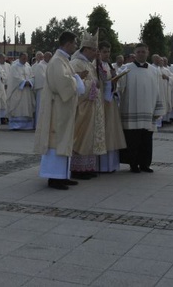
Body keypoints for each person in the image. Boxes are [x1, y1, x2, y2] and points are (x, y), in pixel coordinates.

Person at [34, 31, 86, 190]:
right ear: (68, 44)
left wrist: (74, 78)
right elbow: (61, 83)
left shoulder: (64, 60)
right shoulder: (57, 61)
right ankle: (54, 177)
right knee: (56, 141)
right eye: (74, 43)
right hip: (57, 110)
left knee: (64, 141)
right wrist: (76, 79)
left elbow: (66, 79)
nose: (75, 47)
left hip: (64, 109)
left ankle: (63, 175)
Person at [117, 43, 163, 173]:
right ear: (134, 53)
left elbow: (158, 90)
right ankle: (133, 164)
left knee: (146, 139)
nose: (141, 54)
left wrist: (158, 109)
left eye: (143, 51)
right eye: (138, 52)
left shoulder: (154, 70)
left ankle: (145, 164)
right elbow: (119, 87)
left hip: (149, 109)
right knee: (133, 139)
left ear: (148, 52)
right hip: (131, 110)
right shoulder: (126, 69)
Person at [70, 32, 106, 180]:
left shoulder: (89, 64)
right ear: (86, 49)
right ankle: (77, 169)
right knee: (81, 137)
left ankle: (87, 167)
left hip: (92, 106)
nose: (95, 53)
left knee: (89, 137)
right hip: (82, 107)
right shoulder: (75, 63)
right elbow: (74, 85)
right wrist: (93, 84)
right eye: (94, 50)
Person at [97, 41, 126, 172]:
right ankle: (102, 165)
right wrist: (108, 84)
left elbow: (113, 83)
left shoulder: (109, 66)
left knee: (111, 131)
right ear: (99, 52)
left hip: (111, 102)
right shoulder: (96, 66)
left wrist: (115, 83)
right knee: (103, 131)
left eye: (108, 52)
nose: (107, 54)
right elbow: (97, 84)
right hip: (101, 103)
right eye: (104, 52)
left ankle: (111, 164)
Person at [7, 52, 35, 130]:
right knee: (18, 107)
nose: (25, 60)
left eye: (26, 58)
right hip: (18, 90)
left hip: (27, 91)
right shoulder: (14, 67)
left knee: (27, 106)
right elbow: (14, 78)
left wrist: (30, 82)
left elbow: (33, 77)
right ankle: (16, 125)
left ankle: (27, 126)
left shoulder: (28, 67)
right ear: (20, 58)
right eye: (23, 58)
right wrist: (24, 82)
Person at [31, 51, 48, 129]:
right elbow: (42, 77)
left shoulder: (48, 65)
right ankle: (38, 124)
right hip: (41, 88)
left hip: (47, 89)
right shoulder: (39, 66)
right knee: (39, 106)